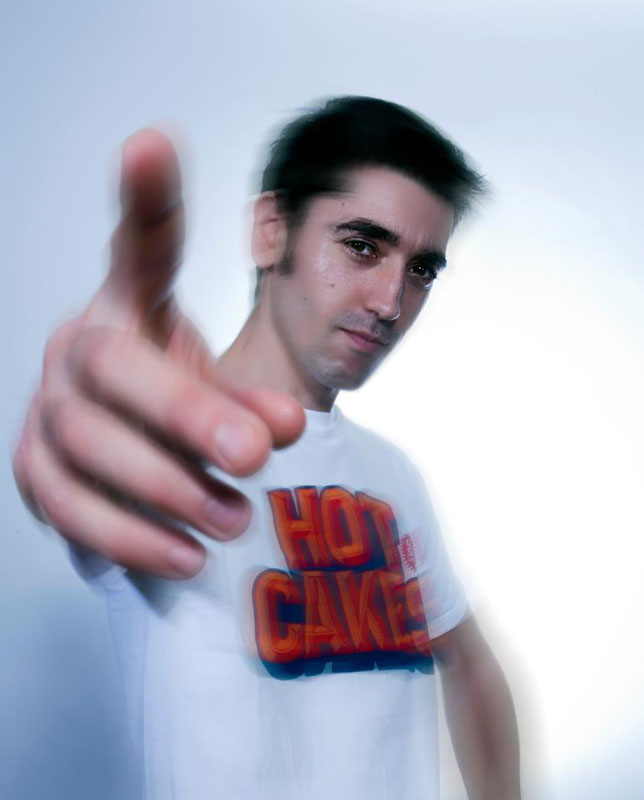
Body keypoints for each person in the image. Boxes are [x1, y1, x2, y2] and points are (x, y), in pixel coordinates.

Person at [12, 97, 522, 799]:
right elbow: (92, 458)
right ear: (271, 231)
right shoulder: (170, 444)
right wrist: (82, 413)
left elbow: (468, 661)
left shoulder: (392, 474)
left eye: (422, 270)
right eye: (363, 246)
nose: (390, 302)